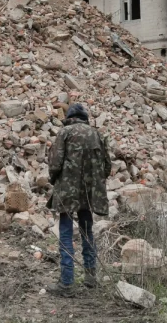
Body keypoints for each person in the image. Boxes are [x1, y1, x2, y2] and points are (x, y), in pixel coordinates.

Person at [46, 102, 110, 296]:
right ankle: (90, 277)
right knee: (87, 230)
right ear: (85, 118)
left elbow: (55, 163)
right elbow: (107, 166)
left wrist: (54, 178)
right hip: (90, 192)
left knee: (65, 233)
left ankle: (67, 283)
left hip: (67, 191)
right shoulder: (97, 134)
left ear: (70, 117)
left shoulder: (65, 133)